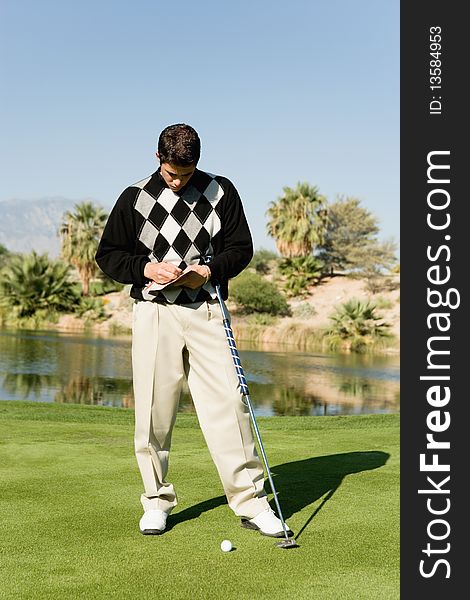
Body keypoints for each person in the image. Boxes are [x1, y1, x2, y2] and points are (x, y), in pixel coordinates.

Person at [95, 123, 292, 538]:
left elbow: (241, 249)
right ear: (157, 159)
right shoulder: (134, 197)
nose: (179, 181)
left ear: (198, 161)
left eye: (186, 174)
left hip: (208, 310)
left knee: (230, 406)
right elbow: (109, 255)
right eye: (171, 174)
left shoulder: (222, 191)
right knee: (153, 411)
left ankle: (251, 502)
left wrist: (207, 270)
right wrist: (146, 267)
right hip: (154, 313)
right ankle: (156, 502)